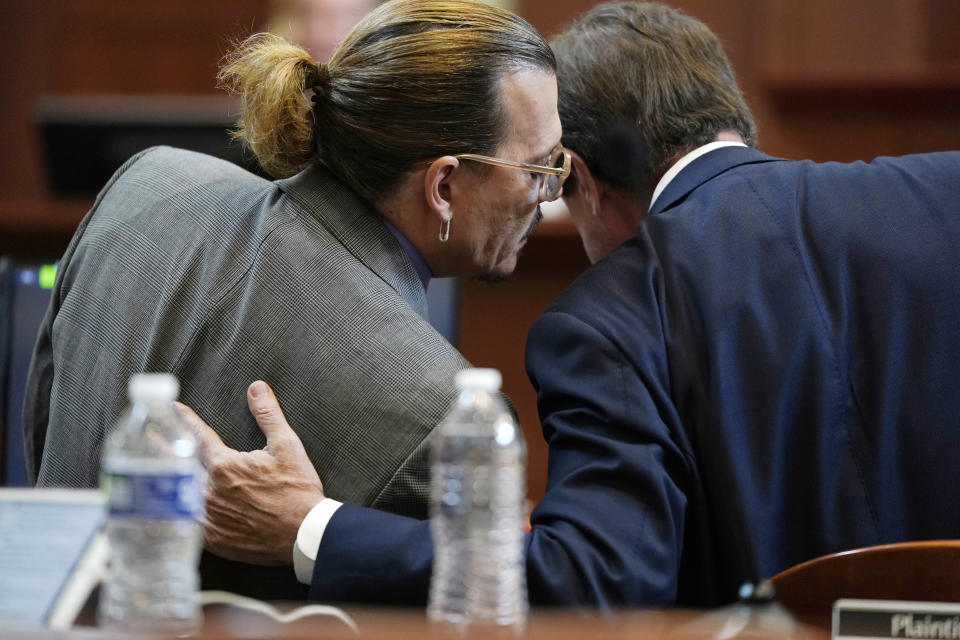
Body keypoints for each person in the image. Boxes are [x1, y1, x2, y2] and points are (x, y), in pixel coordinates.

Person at [183, 1, 960, 607]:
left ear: (582, 178)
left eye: (551, 178)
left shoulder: (609, 318)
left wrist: (312, 527)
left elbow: (594, 578)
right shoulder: (941, 193)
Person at [22, 0, 567, 599]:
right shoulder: (439, 415)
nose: (546, 196)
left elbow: (42, 420)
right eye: (538, 170)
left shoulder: (145, 183)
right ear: (443, 186)